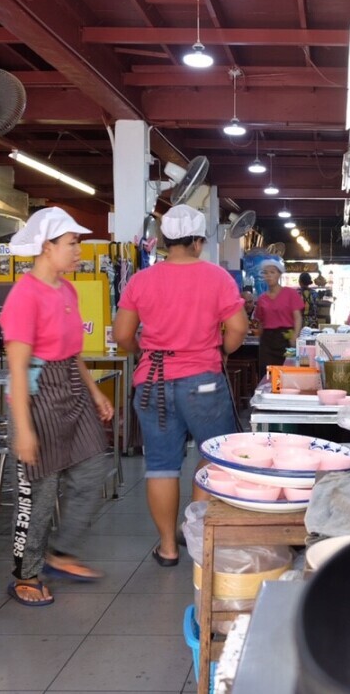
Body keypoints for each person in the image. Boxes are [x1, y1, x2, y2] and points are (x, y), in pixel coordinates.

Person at [112, 205, 247, 567]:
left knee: (161, 465)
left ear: (164, 241)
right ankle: (196, 531)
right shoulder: (217, 277)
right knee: (214, 456)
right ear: (198, 242)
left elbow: (122, 335)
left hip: (153, 382)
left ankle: (168, 547)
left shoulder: (141, 280)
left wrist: (144, 351)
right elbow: (238, 328)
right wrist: (221, 351)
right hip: (203, 381)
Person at [0, 207, 114, 606]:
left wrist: (95, 392)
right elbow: (17, 367)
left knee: (93, 468)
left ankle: (60, 553)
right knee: (39, 491)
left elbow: (73, 352)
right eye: (72, 243)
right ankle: (25, 573)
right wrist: (23, 429)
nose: (79, 250)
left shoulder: (67, 290)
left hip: (71, 386)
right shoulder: (24, 295)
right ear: (47, 247)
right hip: (35, 396)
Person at [252, 259, 303, 375]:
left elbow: (298, 317)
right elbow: (261, 322)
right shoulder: (262, 298)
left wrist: (295, 335)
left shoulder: (291, 293)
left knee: (287, 371)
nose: (269, 275)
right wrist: (259, 337)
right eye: (266, 273)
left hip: (286, 337)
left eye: (272, 272)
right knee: (267, 372)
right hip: (267, 339)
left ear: (279, 274)